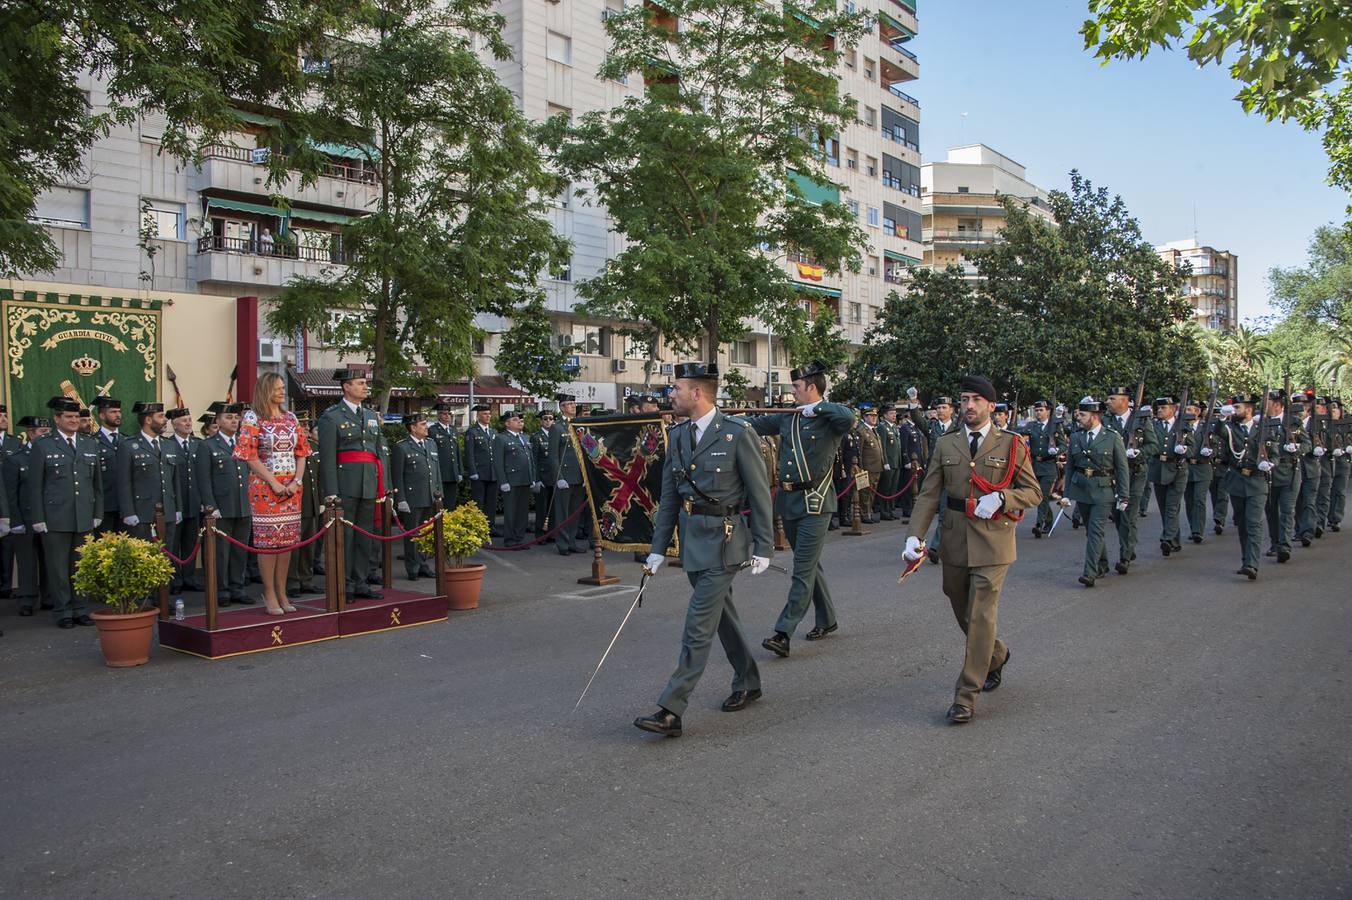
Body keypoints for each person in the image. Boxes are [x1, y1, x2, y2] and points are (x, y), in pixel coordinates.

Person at [636, 362, 773, 738]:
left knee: (698, 625)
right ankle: (748, 679)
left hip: (725, 543)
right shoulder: (678, 434)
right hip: (693, 541)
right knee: (721, 616)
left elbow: (759, 493)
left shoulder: (736, 433)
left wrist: (764, 546)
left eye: (676, 388)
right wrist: (658, 549)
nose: (671, 394)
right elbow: (669, 497)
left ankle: (671, 708)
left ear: (697, 393)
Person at [902, 375, 1041, 724]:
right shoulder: (946, 443)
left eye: (976, 400)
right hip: (955, 539)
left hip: (994, 542)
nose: (969, 406)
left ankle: (966, 696)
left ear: (991, 406)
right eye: (964, 399)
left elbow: (1033, 492)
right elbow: (930, 493)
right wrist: (914, 536)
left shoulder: (1011, 444)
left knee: (980, 616)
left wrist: (1002, 497)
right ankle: (996, 654)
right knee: (960, 604)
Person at [749, 360, 854, 658]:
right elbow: (753, 424)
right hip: (789, 501)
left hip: (815, 502)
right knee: (809, 565)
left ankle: (783, 632)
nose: (792, 391)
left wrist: (818, 408)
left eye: (796, 386)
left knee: (802, 570)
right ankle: (828, 619)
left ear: (811, 387)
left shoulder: (829, 419)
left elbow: (849, 418)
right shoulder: (788, 417)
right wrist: (713, 417)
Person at [237, 372, 311, 614]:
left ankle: (282, 591)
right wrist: (274, 483)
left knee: (287, 542)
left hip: (292, 488)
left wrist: (297, 481)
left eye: (282, 388)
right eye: (277, 388)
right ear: (266, 390)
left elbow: (302, 452)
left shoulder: (291, 418)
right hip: (265, 489)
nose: (282, 392)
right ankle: (269, 592)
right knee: (268, 542)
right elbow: (249, 455)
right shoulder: (253, 417)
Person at [28, 396, 103, 628]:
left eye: (76, 417)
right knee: (58, 568)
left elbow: (97, 484)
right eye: (68, 417)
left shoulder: (89, 443)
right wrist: (38, 518)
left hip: (83, 515)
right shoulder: (43, 445)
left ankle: (80, 608)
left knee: (80, 565)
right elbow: (35, 486)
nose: (73, 420)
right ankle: (63, 611)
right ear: (57, 419)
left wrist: (97, 512)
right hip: (55, 517)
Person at [318, 367, 385, 601]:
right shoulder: (332, 416)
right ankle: (343, 583)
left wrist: (383, 486)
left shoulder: (370, 415)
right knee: (344, 537)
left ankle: (360, 581)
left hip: (368, 483)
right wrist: (331, 492)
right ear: (346, 387)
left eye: (365, 383)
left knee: (365, 535)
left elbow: (379, 452)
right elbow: (327, 458)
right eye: (360, 383)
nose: (365, 387)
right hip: (345, 484)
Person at [1063, 398, 1129, 587]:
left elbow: (1122, 468)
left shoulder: (1112, 437)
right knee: (1090, 530)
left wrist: (1124, 495)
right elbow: (1070, 467)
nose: (1078, 418)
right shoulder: (1076, 437)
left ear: (1095, 416)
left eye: (1082, 415)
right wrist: (1066, 494)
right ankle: (1102, 564)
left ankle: (1089, 572)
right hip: (1082, 490)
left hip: (1104, 490)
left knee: (1095, 531)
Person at [196, 402, 254, 607]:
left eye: (236, 417)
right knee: (221, 552)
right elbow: (203, 479)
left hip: (243, 504)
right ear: (218, 421)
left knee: (240, 550)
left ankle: (237, 587)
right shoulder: (207, 446)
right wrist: (210, 506)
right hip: (221, 507)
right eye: (229, 418)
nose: (234, 421)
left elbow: (249, 473)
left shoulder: (243, 443)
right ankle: (221, 589)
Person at [1102, 385, 1157, 574]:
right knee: (1117, 515)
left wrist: (1138, 453)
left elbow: (1153, 445)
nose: (1108, 402)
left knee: (1128, 513)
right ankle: (1129, 545)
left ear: (1124, 400)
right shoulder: (1106, 420)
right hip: (1114, 475)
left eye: (1112, 398)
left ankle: (1124, 556)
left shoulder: (1141, 419)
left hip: (1135, 473)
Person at [117, 402, 181, 554]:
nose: (165, 420)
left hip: (168, 512)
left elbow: (175, 481)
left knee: (167, 557)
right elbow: (124, 483)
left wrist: (178, 508)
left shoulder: (169, 445)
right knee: (144, 558)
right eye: (160, 416)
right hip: (142, 514)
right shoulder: (128, 445)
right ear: (148, 420)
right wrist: (128, 512)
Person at [1222, 393, 1273, 579]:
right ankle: (1246, 560)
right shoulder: (1230, 429)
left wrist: (1269, 463)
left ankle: (1252, 564)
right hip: (1237, 481)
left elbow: (1274, 453)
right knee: (1242, 524)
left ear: (1249, 409)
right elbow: (1217, 431)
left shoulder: (1263, 429)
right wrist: (1221, 418)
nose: (1234, 411)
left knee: (1254, 523)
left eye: (1238, 408)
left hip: (1257, 481)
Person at [5, 416, 50, 617]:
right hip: (25, 518)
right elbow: (10, 494)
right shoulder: (16, 459)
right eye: (42, 432)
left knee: (49, 560)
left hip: (48, 517)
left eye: (48, 432)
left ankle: (49, 597)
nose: (46, 436)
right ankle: (27, 599)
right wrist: (15, 521)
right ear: (31, 434)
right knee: (26, 562)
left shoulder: (51, 455)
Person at [392, 412, 441, 579]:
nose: (426, 427)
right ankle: (412, 567)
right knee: (412, 534)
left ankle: (422, 564)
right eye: (423, 424)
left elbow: (436, 472)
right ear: (413, 428)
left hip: (429, 496)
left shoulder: (431, 444)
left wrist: (439, 493)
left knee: (425, 533)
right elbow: (397, 476)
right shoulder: (402, 447)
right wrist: (401, 499)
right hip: (412, 498)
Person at [1261, 389, 1307, 562]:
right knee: (1271, 510)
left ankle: (1284, 546)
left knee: (1287, 510)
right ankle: (1275, 543)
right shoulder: (1263, 423)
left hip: (1289, 470)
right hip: (1270, 472)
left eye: (1267, 403)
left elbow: (1307, 444)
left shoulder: (1293, 422)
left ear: (1277, 405)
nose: (1264, 406)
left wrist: (1297, 448)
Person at [1146, 396, 1191, 557]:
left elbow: (1193, 449)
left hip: (1177, 469)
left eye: (1163, 408)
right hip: (1159, 469)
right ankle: (1175, 541)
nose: (1159, 410)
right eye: (1158, 408)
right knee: (1165, 508)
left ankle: (1166, 538)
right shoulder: (1152, 426)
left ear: (1173, 409)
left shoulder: (1183, 426)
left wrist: (1184, 450)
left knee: (1172, 506)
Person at [165, 406, 204, 591]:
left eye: (189, 420)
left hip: (194, 501)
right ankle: (174, 579)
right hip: (175, 502)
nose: (188, 423)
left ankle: (189, 577)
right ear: (174, 424)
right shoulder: (167, 445)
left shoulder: (198, 444)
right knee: (173, 543)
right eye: (184, 421)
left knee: (191, 542)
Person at [286, 418, 323, 597]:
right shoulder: (286, 448)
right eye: (302, 424)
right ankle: (292, 582)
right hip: (294, 503)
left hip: (312, 504)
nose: (306, 427)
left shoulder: (314, 447)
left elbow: (319, 476)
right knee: (293, 547)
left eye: (307, 425)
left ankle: (306, 579)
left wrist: (321, 501)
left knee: (309, 545)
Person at [492, 410, 540, 547]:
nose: (519, 422)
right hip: (511, 481)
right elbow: (498, 462)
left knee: (522, 511)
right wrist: (503, 481)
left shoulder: (525, 437)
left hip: (525, 479)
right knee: (511, 511)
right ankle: (510, 539)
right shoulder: (501, 438)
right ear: (507, 424)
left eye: (519, 419)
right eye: (515, 420)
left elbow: (530, 460)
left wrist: (533, 478)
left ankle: (519, 538)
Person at [549, 394, 587, 556]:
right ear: (562, 407)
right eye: (569, 404)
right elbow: (553, 456)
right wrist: (559, 477)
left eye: (574, 403)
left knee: (574, 513)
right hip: (565, 476)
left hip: (578, 476)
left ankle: (571, 541)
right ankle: (563, 543)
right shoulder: (557, 427)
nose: (573, 406)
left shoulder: (579, 425)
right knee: (563, 512)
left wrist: (585, 475)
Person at [923, 395, 959, 561]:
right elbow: (918, 420)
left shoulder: (959, 427)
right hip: (935, 474)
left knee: (946, 513)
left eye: (944, 407)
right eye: (938, 408)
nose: (940, 410)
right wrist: (913, 402)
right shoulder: (932, 426)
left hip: (953, 475)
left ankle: (936, 547)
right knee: (926, 509)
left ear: (951, 410)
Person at [1182, 397, 1221, 544]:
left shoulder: (1207, 427)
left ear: (1197, 412)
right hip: (1186, 467)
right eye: (1186, 409)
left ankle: (1198, 530)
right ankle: (1193, 527)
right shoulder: (1181, 428)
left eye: (1189, 409)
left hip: (1203, 467)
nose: (1186, 412)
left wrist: (1210, 452)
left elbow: (1216, 447)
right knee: (1189, 500)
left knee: (1199, 499)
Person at [1025, 400, 1064, 538]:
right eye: (1036, 410)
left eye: (1041, 410)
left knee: (1043, 494)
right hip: (1035, 465)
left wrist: (1057, 450)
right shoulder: (1032, 426)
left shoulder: (1055, 426)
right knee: (1040, 496)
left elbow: (1063, 445)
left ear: (1048, 411)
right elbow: (1018, 432)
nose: (1038, 413)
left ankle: (1039, 524)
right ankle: (1048, 521)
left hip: (1049, 466)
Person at [463, 403, 498, 534]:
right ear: (478, 416)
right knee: (478, 501)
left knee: (491, 502)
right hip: (479, 472)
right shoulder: (472, 432)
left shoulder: (493, 432)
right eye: (485, 414)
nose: (488, 416)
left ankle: (490, 527)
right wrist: (473, 471)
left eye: (489, 414)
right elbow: (470, 453)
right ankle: (478, 528)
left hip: (492, 473)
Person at [91, 396, 123, 536]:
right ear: (102, 416)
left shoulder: (127, 440)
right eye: (113, 412)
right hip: (104, 507)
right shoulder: (92, 442)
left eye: (119, 411)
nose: (118, 415)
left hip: (125, 507)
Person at [427, 402, 463, 511]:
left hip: (453, 473)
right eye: (444, 414)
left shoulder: (453, 430)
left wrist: (460, 471)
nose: (447, 416)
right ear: (438, 415)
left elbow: (457, 451)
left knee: (451, 504)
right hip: (441, 472)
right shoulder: (433, 430)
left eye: (449, 414)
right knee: (439, 504)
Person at [855, 403, 884, 524]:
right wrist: (860, 467)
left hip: (876, 466)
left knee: (872, 492)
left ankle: (868, 512)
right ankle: (864, 514)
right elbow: (859, 452)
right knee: (865, 492)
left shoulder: (873, 430)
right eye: (871, 416)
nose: (874, 418)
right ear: (865, 417)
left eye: (875, 416)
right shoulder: (862, 431)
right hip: (867, 467)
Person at [531, 411, 555, 542]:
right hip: (542, 478)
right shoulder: (536, 437)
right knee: (542, 508)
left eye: (551, 419)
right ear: (541, 421)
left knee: (553, 508)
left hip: (554, 477)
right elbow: (533, 460)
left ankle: (551, 533)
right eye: (545, 419)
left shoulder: (556, 435)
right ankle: (540, 535)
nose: (548, 421)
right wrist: (536, 479)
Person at [876, 405, 902, 521]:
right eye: (891, 413)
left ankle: (890, 510)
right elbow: (883, 446)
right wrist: (885, 462)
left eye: (894, 413)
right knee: (885, 489)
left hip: (896, 462)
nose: (894, 415)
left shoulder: (894, 427)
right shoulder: (882, 427)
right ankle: (884, 511)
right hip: (889, 463)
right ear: (885, 415)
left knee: (893, 489)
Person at [1330, 399, 1349, 531]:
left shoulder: (1345, 425)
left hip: (1342, 462)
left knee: (1340, 491)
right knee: (1326, 492)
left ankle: (1336, 518)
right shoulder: (1323, 425)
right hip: (1327, 461)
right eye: (1331, 410)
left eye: (1336, 409)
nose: (1334, 412)